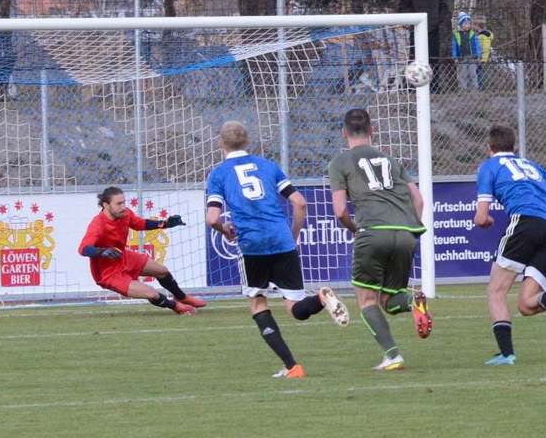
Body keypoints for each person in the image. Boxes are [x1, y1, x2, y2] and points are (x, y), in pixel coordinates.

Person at [205, 121, 350, 380]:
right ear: (247, 141)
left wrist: (225, 229)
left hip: (252, 246)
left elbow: (212, 217)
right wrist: (292, 237)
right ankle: (320, 299)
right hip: (282, 242)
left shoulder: (218, 173)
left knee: (258, 303)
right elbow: (300, 203)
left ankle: (292, 367)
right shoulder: (269, 166)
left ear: (221, 144)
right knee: (294, 308)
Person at [328, 108, 433, 372]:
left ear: (344, 132)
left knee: (366, 300)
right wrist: (411, 228)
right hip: (405, 231)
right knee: (389, 300)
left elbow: (340, 210)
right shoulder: (391, 159)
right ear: (372, 131)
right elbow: (418, 200)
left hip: (373, 232)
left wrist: (355, 229)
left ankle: (393, 356)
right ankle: (412, 302)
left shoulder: (339, 163)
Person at [473, 125, 546, 367]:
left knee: (496, 291)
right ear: (514, 147)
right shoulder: (531, 165)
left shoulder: (487, 167)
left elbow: (481, 217)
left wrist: (485, 220)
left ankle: (506, 354)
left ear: (489, 148)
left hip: (525, 222)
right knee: (526, 305)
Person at [79, 186, 205, 315]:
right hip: (108, 273)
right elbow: (83, 248)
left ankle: (181, 297)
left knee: (162, 271)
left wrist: (165, 223)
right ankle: (176, 306)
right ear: (106, 205)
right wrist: (102, 252)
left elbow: (139, 224)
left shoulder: (124, 213)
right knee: (151, 293)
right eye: (118, 203)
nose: (123, 207)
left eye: (124, 202)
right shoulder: (98, 224)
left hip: (123, 257)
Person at [397, 0, 451, 90]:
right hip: (416, 30)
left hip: (433, 29)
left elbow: (444, 7)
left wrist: (438, 20)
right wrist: (415, 18)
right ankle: (411, 86)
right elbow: (402, 8)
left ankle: (434, 87)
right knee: (415, 59)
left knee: (433, 59)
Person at [451, 12, 482, 90]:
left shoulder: (473, 34)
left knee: (473, 73)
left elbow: (477, 45)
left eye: (469, 23)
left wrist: (478, 55)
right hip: (461, 57)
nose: (467, 25)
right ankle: (463, 89)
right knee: (462, 74)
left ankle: (474, 89)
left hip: (472, 57)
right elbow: (454, 47)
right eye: (465, 23)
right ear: (461, 24)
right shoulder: (456, 35)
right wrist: (455, 57)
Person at [475, 20, 494, 88]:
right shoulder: (487, 35)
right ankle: (481, 86)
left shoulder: (481, 36)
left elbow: (482, 47)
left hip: (481, 57)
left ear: (478, 27)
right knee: (480, 71)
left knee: (478, 72)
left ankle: (480, 86)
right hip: (484, 56)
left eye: (475, 26)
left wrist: (481, 56)